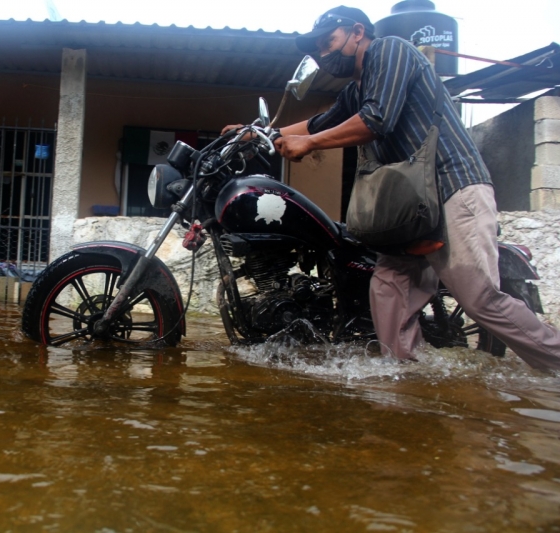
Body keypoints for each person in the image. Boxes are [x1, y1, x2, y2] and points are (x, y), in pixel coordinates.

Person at [232, 5, 560, 370]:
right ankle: (409, 379)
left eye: (330, 41)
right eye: (319, 48)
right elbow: (317, 123)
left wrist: (310, 145)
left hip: (451, 188)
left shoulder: (390, 50)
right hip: (409, 204)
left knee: (479, 298)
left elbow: (377, 119)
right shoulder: (356, 90)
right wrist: (256, 133)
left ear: (357, 32)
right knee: (388, 288)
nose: (325, 53)